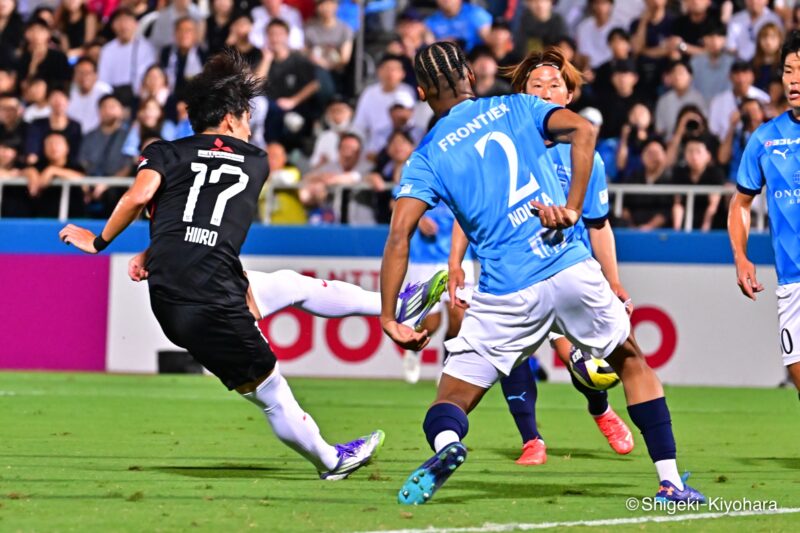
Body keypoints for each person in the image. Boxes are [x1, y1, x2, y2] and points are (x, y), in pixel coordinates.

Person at [381, 40, 704, 505]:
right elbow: (586, 132)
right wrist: (572, 209)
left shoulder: (426, 157)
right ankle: (670, 481)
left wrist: (390, 316)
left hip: (506, 292)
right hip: (567, 265)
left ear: (422, 92)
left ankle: (449, 447)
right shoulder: (517, 106)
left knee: (449, 399)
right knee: (632, 362)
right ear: (470, 76)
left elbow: (398, 236)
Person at [58, 49, 383, 480]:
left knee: (290, 285)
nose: (250, 126)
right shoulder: (257, 161)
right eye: (247, 117)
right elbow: (207, 209)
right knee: (272, 391)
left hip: (176, 294)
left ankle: (390, 304)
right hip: (210, 294)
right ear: (230, 119)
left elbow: (150, 200)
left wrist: (126, 246)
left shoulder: (165, 153)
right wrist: (115, 244)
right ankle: (331, 461)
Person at [503, 47, 634, 465]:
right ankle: (531, 439)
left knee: (583, 359)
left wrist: (613, 280)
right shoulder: (502, 146)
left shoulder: (584, 154)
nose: (544, 92)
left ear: (569, 97)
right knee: (511, 353)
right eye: (535, 85)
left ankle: (600, 408)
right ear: (522, 95)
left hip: (568, 266)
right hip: (513, 268)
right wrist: (456, 264)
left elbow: (598, 223)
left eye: (554, 85)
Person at [729, 30, 800, 396]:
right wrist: (741, 256)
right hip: (792, 281)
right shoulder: (765, 137)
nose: (795, 79)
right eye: (789, 70)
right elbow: (740, 202)